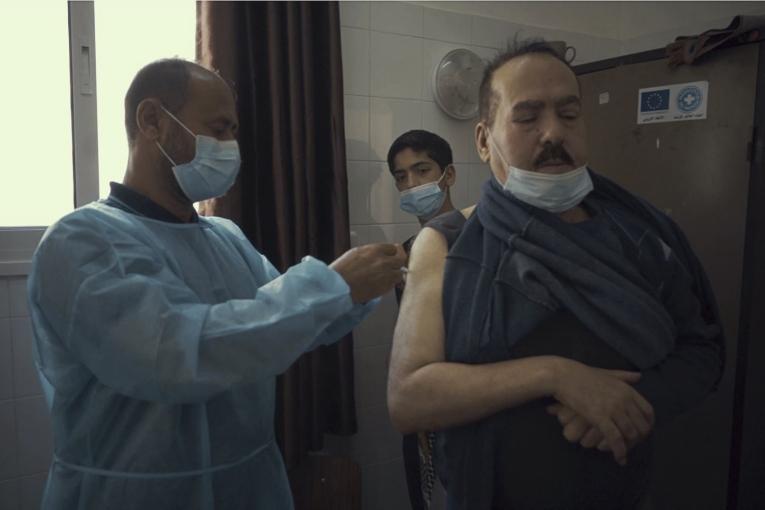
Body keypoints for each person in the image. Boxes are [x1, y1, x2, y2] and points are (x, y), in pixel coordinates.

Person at [26, 58, 406, 510]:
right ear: (152, 121)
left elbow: (288, 326)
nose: (232, 146)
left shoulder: (225, 237)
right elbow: (176, 354)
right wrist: (332, 286)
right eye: (219, 129)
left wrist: (363, 283)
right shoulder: (80, 241)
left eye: (233, 132)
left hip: (250, 487)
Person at [387, 39, 724, 510]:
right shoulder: (447, 242)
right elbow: (408, 399)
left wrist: (639, 400)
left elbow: (701, 349)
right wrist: (556, 375)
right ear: (484, 140)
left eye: (569, 114)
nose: (552, 133)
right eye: (527, 118)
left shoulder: (641, 236)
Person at [386, 129, 458, 510]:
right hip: (421, 416)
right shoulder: (404, 256)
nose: (412, 184)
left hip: (466, 403)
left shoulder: (477, 240)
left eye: (422, 170)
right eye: (401, 177)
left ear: (448, 175)